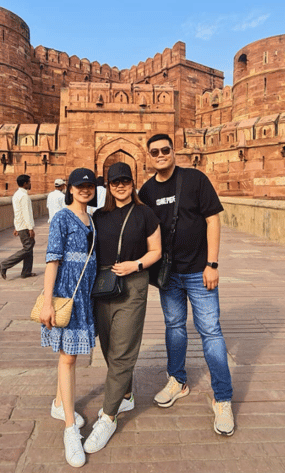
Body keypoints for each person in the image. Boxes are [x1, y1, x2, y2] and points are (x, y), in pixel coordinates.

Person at [138, 133, 235, 436]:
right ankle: (177, 380)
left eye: (165, 150)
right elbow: (138, 227)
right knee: (174, 327)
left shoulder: (194, 179)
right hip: (169, 275)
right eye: (155, 152)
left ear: (174, 151)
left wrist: (213, 263)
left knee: (211, 331)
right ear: (148, 156)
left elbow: (213, 220)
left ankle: (223, 398)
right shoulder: (147, 190)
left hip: (199, 271)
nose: (161, 155)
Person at [84, 162, 162, 454]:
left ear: (133, 182)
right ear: (108, 185)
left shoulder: (145, 213)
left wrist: (135, 264)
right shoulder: (99, 217)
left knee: (123, 349)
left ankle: (108, 416)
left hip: (133, 285)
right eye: (115, 181)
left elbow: (156, 250)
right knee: (107, 346)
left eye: (125, 180)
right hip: (104, 285)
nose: (120, 185)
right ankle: (126, 393)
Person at [39, 168, 98, 468]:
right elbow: (52, 258)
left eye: (90, 185)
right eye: (80, 186)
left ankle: (60, 404)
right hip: (66, 293)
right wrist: (47, 301)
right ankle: (70, 431)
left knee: (68, 356)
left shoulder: (93, 219)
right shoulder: (62, 217)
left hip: (85, 295)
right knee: (69, 358)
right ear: (70, 189)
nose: (85, 190)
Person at [0, 174, 37, 280]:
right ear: (25, 184)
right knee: (28, 248)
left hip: (21, 225)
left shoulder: (17, 194)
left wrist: (16, 227)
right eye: (29, 182)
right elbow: (26, 213)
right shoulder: (24, 196)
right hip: (24, 226)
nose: (30, 184)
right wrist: (30, 228)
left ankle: (26, 272)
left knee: (29, 247)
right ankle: (5, 264)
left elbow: (17, 212)